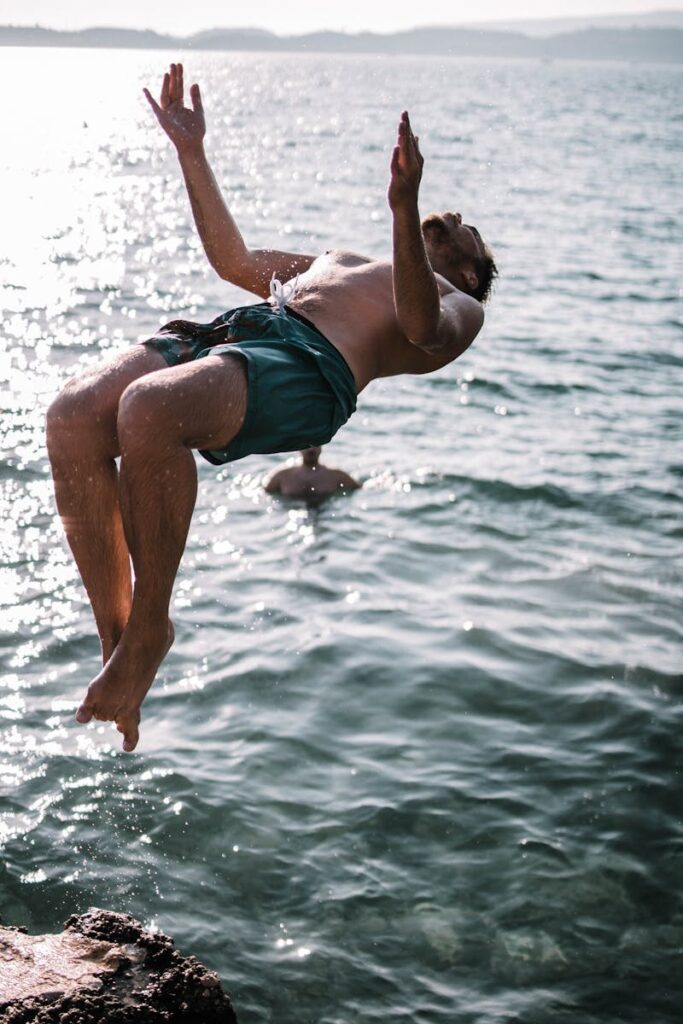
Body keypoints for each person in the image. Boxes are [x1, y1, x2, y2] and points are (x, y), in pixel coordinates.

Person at [46, 63, 497, 753]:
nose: (459, 218)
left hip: (310, 369)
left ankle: (152, 629)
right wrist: (191, 152)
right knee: (72, 418)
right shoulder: (343, 258)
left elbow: (417, 326)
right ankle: (122, 649)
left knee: (147, 411)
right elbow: (233, 258)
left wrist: (404, 208)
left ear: (469, 271)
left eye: (469, 231)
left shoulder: (462, 305)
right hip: (246, 328)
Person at [265, 446, 361, 503]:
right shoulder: (282, 476)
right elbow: (265, 494)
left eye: (315, 443)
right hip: (293, 512)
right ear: (298, 447)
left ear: (322, 446)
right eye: (306, 445)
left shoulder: (337, 476)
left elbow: (359, 489)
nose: (311, 448)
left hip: (326, 512)